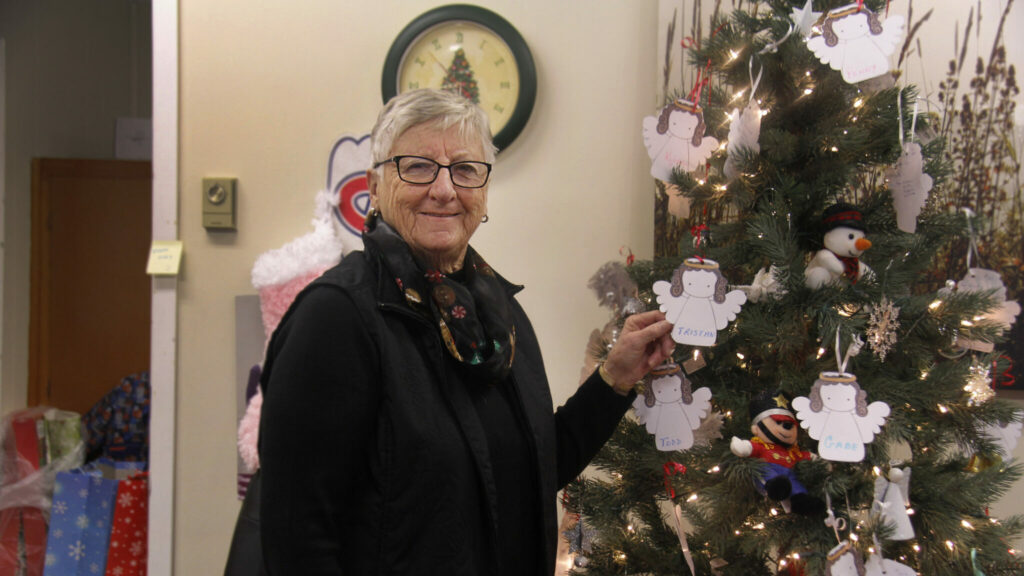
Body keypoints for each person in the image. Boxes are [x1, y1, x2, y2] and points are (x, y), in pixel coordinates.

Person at [258, 88, 675, 576]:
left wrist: (614, 379)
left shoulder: (501, 317)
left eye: (465, 170)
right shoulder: (336, 317)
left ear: (483, 190)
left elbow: (533, 471)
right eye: (417, 166)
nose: (443, 189)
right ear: (374, 185)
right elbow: (297, 538)